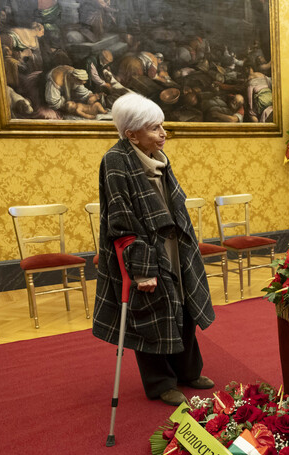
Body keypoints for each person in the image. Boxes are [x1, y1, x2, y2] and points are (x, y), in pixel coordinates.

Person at [92, 93, 216, 406]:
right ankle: (161, 382)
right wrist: (142, 270)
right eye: (152, 128)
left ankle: (188, 371)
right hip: (143, 252)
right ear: (130, 133)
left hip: (173, 247)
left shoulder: (157, 157)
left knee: (183, 306)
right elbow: (121, 220)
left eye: (162, 126)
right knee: (150, 313)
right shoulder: (116, 161)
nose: (162, 133)